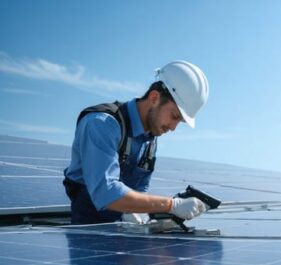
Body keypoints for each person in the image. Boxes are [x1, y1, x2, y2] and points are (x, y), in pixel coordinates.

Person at [63, 60, 209, 225]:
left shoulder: (150, 140)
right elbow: (105, 192)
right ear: (154, 98)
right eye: (174, 116)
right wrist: (170, 205)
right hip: (88, 233)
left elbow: (140, 190)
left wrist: (135, 211)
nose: (173, 127)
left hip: (124, 234)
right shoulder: (101, 124)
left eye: (180, 121)